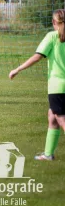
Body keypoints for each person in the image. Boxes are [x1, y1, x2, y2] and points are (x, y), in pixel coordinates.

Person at [9, 9, 65, 161]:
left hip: (57, 87)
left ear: (54, 22)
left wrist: (18, 69)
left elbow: (37, 57)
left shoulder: (52, 37)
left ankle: (48, 154)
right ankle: (48, 154)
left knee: (61, 119)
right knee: (52, 117)